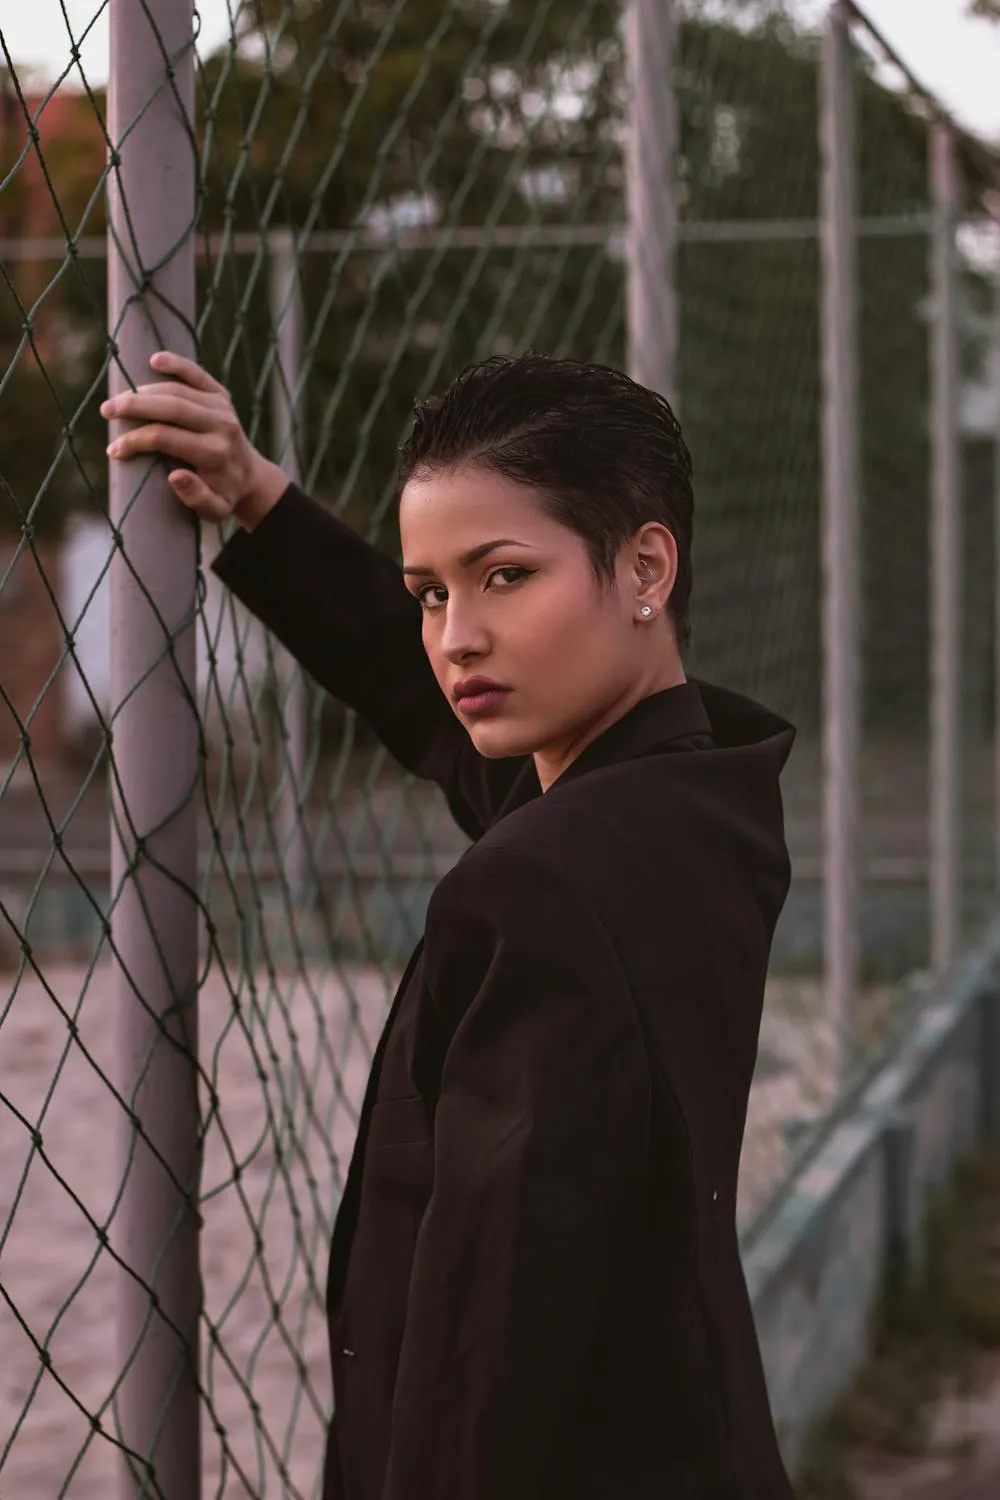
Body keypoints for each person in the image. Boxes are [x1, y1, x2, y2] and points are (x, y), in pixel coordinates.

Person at [102, 350, 798, 1500]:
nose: (455, 637)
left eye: (505, 576)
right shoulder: (692, 798)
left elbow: (485, 1353)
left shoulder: (545, 889)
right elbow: (437, 714)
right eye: (434, 590)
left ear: (644, 567)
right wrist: (260, 499)